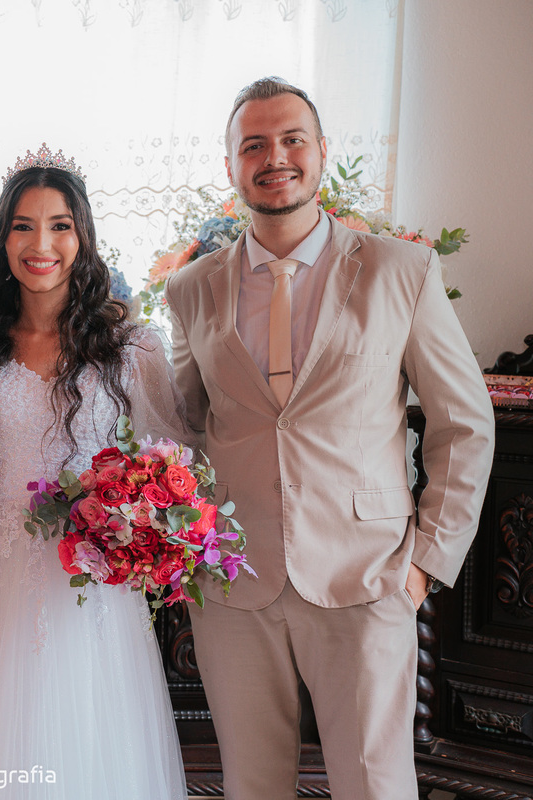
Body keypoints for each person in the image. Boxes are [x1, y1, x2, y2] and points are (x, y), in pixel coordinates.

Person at [165, 77, 495, 799]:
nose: (274, 158)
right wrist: (188, 548)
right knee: (251, 784)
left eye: (292, 140)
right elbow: (185, 426)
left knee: (376, 784)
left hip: (367, 575)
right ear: (231, 165)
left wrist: (426, 562)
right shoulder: (190, 288)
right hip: (233, 581)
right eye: (254, 145)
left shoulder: (401, 270)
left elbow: (464, 421)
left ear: (321, 151)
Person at [0, 148, 189, 799]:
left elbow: (170, 460)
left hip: (89, 575)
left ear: (82, 236)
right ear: (2, 241)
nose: (41, 244)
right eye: (23, 226)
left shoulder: (132, 349)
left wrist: (135, 520)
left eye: (59, 225)